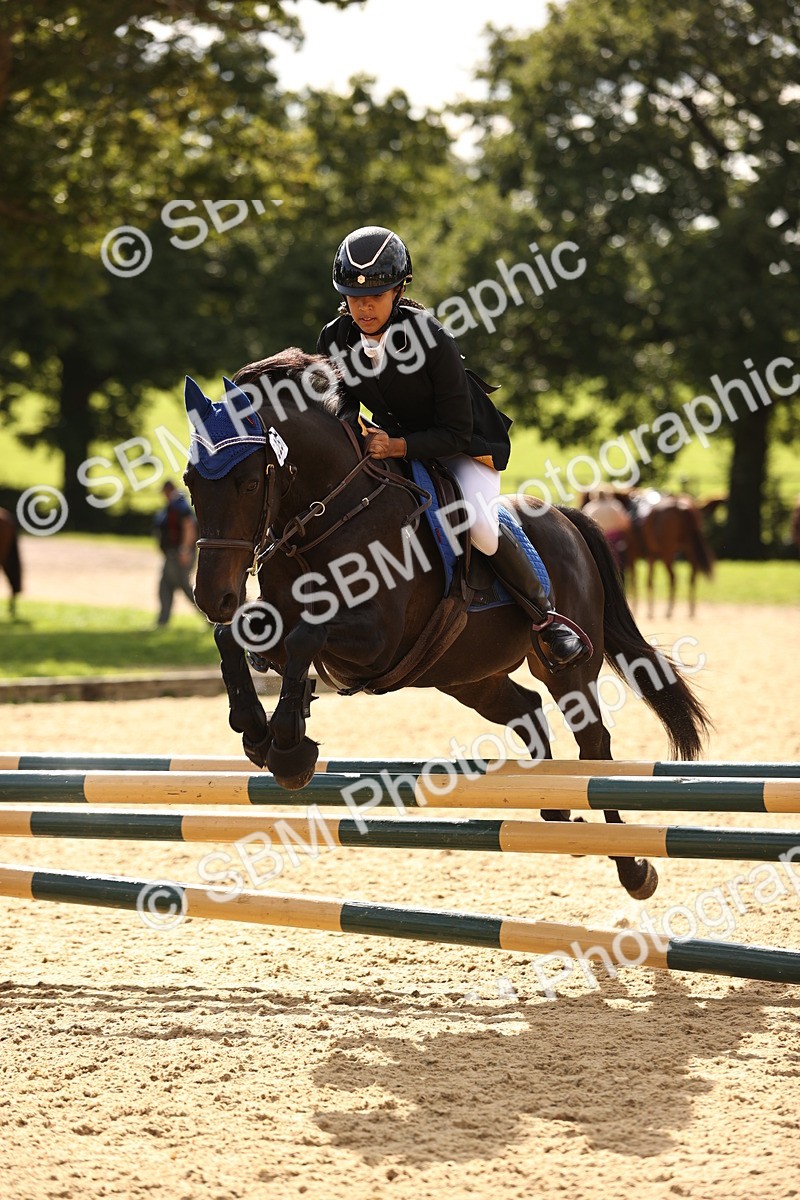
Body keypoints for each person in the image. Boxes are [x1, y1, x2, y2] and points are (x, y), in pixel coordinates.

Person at [316, 225, 590, 670]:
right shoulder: (334, 338)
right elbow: (343, 397)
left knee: (480, 525)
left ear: (400, 290)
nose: (363, 306)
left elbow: (456, 432)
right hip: (392, 444)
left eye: (377, 295)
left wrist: (398, 446)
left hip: (462, 448)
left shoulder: (431, 338)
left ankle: (546, 618)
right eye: (353, 296)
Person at [153, 480, 198, 627]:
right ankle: (162, 621)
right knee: (166, 585)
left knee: (183, 586)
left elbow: (189, 525)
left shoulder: (179, 503)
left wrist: (185, 549)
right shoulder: (174, 503)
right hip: (173, 554)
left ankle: (210, 616)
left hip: (179, 554)